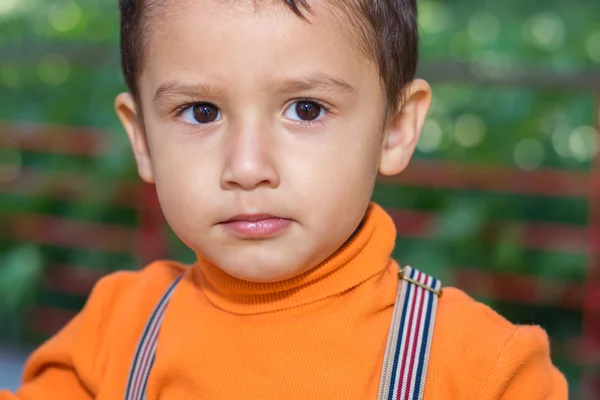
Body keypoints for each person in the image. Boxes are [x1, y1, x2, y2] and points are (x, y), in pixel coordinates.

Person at [0, 0, 568, 399]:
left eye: (306, 109)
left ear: (395, 126)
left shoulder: (486, 373)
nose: (247, 168)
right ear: (142, 138)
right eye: (201, 112)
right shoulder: (114, 333)